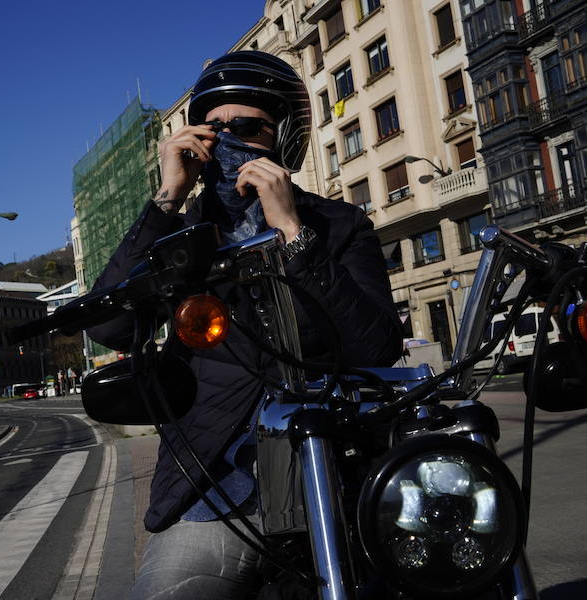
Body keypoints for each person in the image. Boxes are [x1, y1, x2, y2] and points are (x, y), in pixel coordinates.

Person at [86, 51, 403, 599]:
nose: (228, 141)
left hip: (334, 471)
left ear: (283, 138)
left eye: (249, 128)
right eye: (213, 130)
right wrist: (167, 198)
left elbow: (376, 345)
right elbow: (108, 326)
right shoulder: (176, 237)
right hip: (215, 485)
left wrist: (293, 233)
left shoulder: (339, 224)